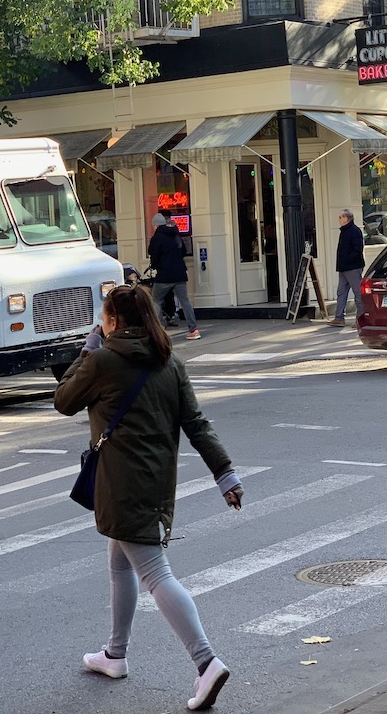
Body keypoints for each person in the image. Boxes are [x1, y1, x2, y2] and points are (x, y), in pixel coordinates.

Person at [55, 284, 242, 709]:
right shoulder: (169, 362)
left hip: (123, 487)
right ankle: (115, 654)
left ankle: (206, 662)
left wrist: (87, 351)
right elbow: (197, 424)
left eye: (104, 317)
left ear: (114, 322)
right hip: (157, 481)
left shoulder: (102, 361)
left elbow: (63, 400)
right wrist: (225, 474)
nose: (100, 324)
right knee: (120, 561)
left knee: (155, 574)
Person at [149, 213, 201, 340]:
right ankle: (193, 330)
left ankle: (160, 327)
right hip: (180, 273)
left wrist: (155, 267)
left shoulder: (157, 238)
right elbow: (183, 251)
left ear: (155, 225)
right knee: (185, 301)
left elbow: (153, 256)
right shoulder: (175, 234)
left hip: (165, 275)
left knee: (155, 300)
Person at [330, 208, 364, 327]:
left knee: (358, 293)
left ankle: (360, 319)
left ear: (346, 218)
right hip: (344, 267)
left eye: (340, 217)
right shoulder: (344, 231)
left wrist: (349, 261)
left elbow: (357, 249)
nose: (339, 219)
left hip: (352, 267)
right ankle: (339, 317)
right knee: (341, 292)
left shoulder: (354, 231)